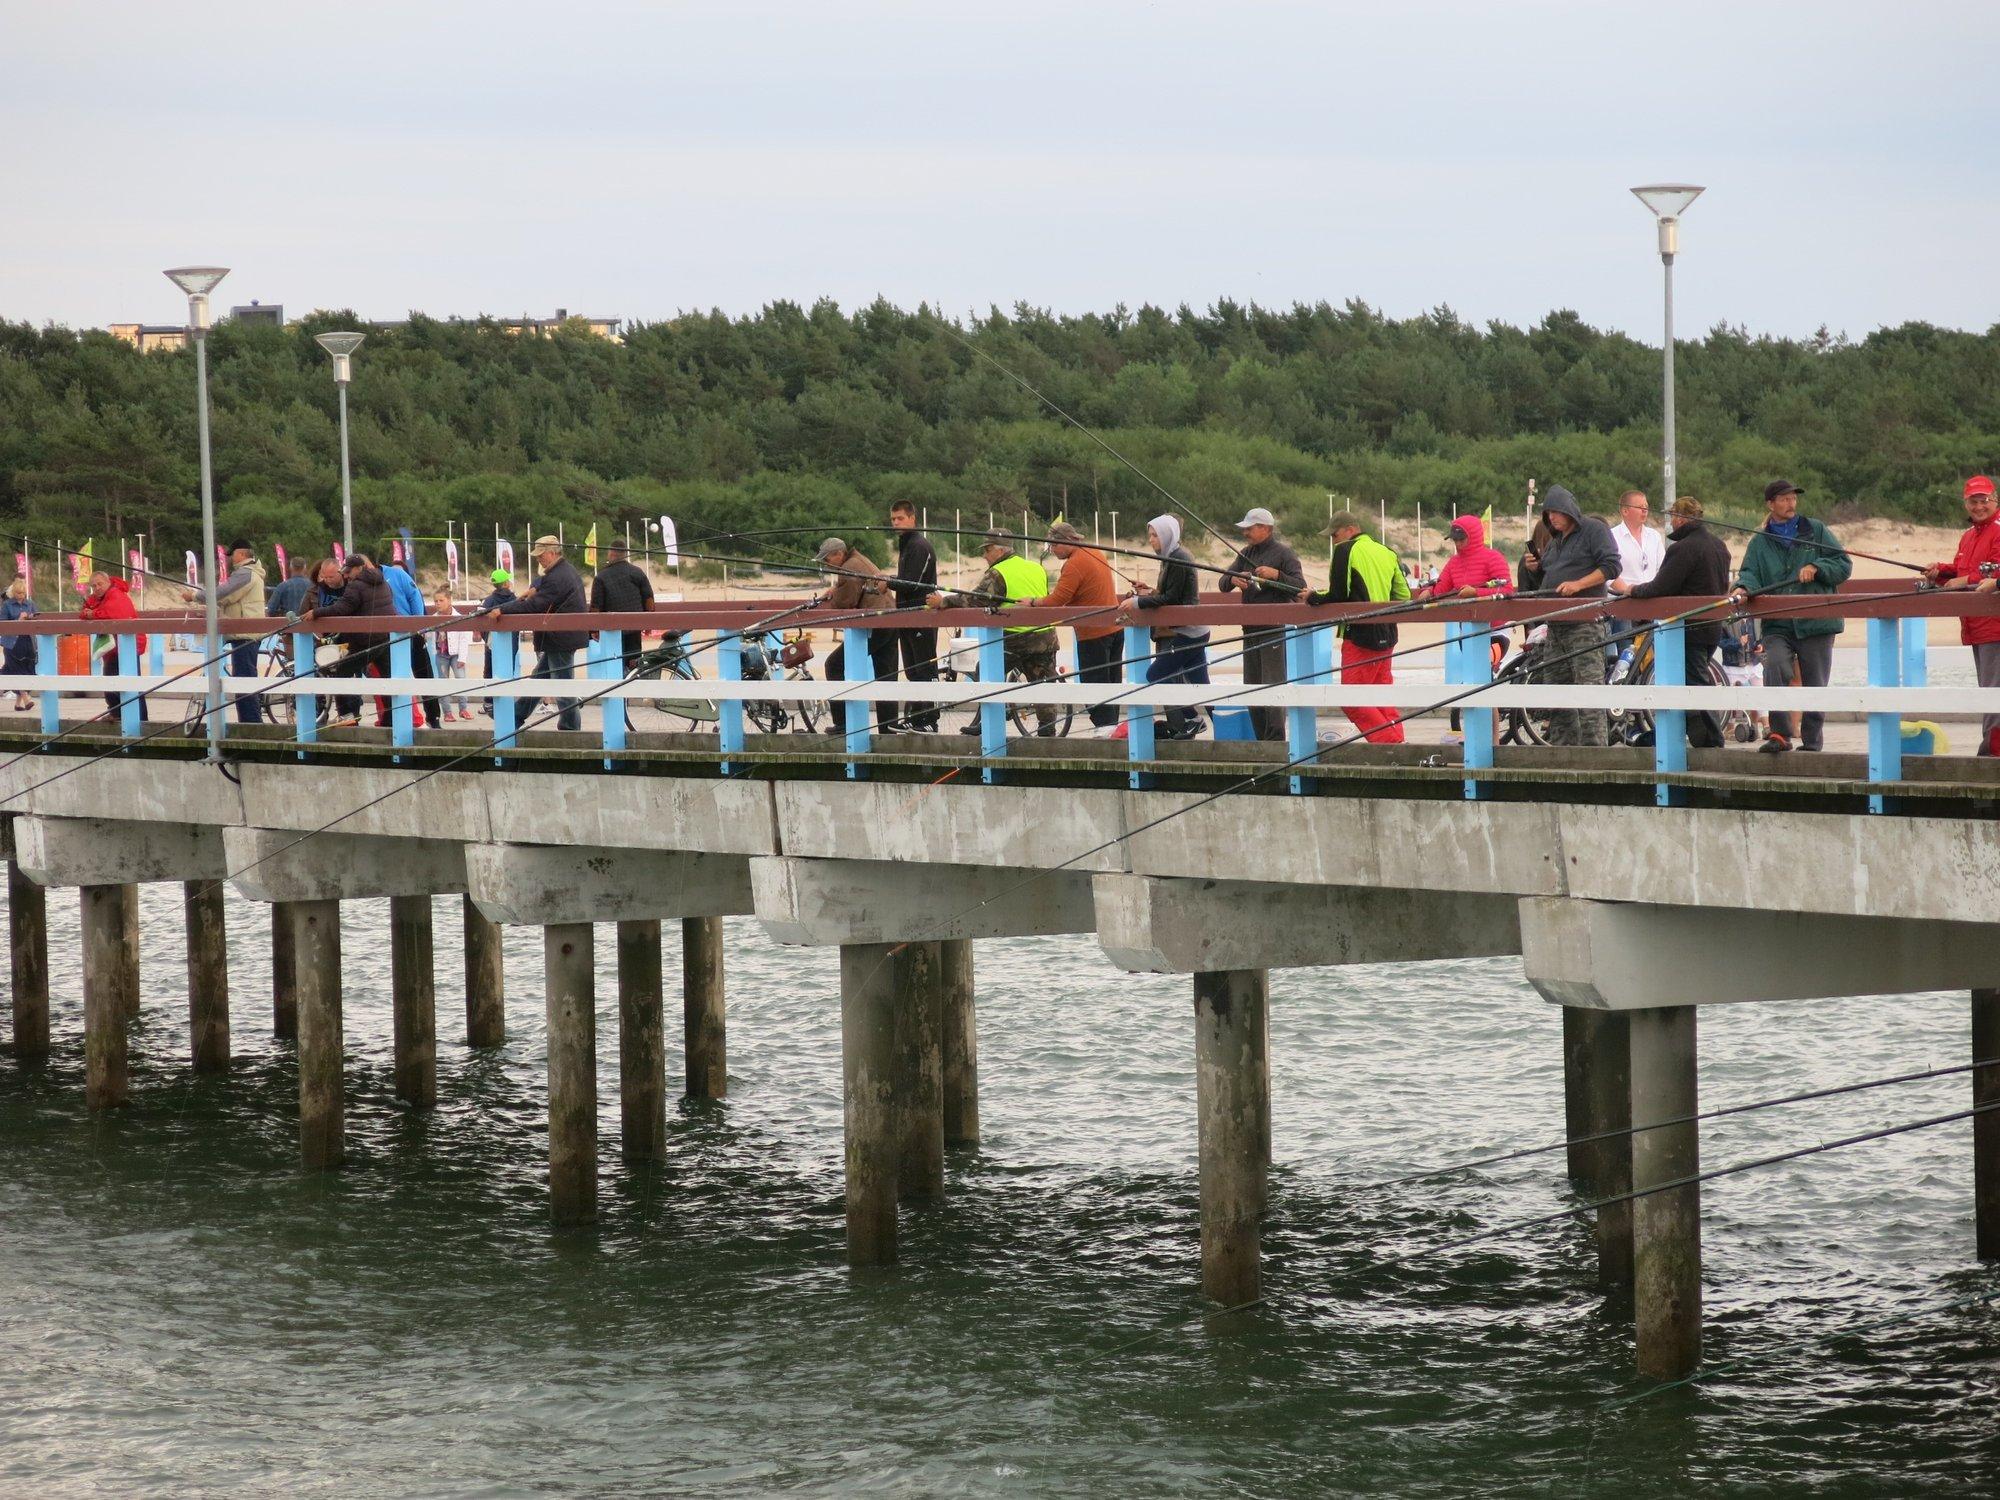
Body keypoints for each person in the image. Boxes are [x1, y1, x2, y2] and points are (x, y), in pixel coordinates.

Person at [1731, 480, 1851, 754]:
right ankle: (1780, 734)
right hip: (1778, 623)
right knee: (1774, 665)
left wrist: (1816, 567)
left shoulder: (1816, 530)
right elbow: (1749, 572)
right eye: (1783, 499)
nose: (1791, 504)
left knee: (1815, 682)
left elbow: (1843, 565)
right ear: (1770, 504)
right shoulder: (1759, 542)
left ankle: (1812, 742)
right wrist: (1742, 588)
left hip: (1817, 622)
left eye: (1793, 499)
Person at [1614, 495, 1732, 748]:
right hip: (1713, 625)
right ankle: (1698, 736)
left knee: (1692, 682)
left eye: (1672, 517)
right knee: (1695, 678)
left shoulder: (1683, 548)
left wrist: (1633, 591)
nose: (1671, 522)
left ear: (1680, 518)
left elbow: (1662, 586)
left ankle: (1710, 740)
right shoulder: (1719, 545)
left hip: (1688, 628)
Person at [1518, 485, 1622, 746]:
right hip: (1556, 626)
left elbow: (1611, 566)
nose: (1551, 518)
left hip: (1585, 624)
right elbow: (1549, 578)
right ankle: (1565, 750)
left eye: (1556, 512)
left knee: (1589, 693)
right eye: (1548, 513)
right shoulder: (1556, 542)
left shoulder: (1594, 530)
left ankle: (1595, 753)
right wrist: (1534, 569)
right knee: (1556, 693)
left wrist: (1579, 584)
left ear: (1569, 510)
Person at [932, 529, 1059, 736]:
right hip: (1044, 636)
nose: (984, 555)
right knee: (1044, 685)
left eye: (987, 550)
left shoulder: (998, 572)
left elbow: (976, 600)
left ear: (1000, 550)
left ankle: (991, 722)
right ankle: (1048, 733)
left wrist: (944, 601)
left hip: (1015, 638)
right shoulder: (1037, 568)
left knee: (986, 671)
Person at [1305, 512, 1410, 744]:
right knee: (1381, 695)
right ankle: (1398, 742)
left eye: (1335, 534)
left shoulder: (1345, 550)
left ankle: (1389, 742)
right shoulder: (1387, 552)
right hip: (1388, 633)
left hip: (1359, 636)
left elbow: (1338, 595)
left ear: (1350, 529)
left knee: (1351, 698)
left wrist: (1315, 597)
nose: (1333, 540)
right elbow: (1403, 595)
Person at [1922, 474, 2000, 756]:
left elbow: (1992, 573)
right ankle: (1991, 748)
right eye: (1973, 501)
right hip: (1976, 626)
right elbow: (1961, 572)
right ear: (1965, 503)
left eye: (1984, 500)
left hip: (1995, 626)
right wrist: (1940, 572)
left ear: (1995, 500)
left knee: (1993, 692)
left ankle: (1991, 752)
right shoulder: (1968, 537)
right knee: (1986, 690)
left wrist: (1962, 579)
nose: (1979, 506)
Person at [1419, 512, 1514, 742]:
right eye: (1455, 540)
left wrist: (1477, 593)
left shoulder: (1493, 558)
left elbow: (1508, 590)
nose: (1458, 544)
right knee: (1478, 681)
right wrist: (1429, 593)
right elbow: (1443, 588)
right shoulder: (1453, 563)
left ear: (1474, 536)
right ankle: (1480, 740)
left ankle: (1492, 741)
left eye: (1461, 539)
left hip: (1496, 632)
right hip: (1468, 633)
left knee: (1483, 679)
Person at [1116, 515, 1209, 741]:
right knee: (1201, 681)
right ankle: (1227, 730)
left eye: (1155, 535)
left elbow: (1172, 598)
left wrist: (1137, 602)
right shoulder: (1171, 557)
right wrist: (1148, 590)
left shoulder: (1178, 559)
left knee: (1156, 673)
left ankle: (1193, 719)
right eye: (1149, 535)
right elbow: (1169, 593)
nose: (1151, 540)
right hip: (1192, 630)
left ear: (1167, 535)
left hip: (1190, 631)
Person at [1219, 506, 1306, 740]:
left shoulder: (1284, 554)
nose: (1245, 532)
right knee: (1252, 684)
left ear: (1265, 528)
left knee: (1273, 683)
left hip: (1273, 629)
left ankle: (1275, 740)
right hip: (1249, 629)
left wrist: (1276, 576)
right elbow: (1222, 583)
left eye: (1250, 528)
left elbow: (1299, 586)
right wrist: (1233, 579)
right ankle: (1261, 739)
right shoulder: (1245, 553)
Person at [486, 536, 588, 731]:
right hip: (559, 637)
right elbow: (545, 587)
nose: (538, 559)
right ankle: (516, 717)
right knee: (540, 679)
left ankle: (570, 727)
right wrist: (535, 588)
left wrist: (504, 609)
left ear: (551, 553)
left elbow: (536, 605)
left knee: (562, 684)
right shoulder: (563, 571)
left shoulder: (558, 576)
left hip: (561, 638)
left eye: (541, 556)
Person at [813, 537, 898, 732]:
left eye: (827, 559)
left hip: (874, 625)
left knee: (834, 665)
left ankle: (843, 723)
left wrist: (833, 597)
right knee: (886, 675)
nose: (827, 564)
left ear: (839, 554)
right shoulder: (858, 561)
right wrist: (837, 590)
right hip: (891, 621)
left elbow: (845, 601)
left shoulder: (849, 568)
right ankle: (889, 728)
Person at [300, 554, 396, 727]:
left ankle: (347, 716)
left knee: (341, 672)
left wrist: (317, 612)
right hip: (384, 637)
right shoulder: (382, 582)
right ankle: (392, 720)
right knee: (386, 679)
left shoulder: (356, 585)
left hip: (365, 639)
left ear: (359, 568)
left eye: (349, 572)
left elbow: (342, 607)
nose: (346, 576)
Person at [1044, 521, 1121, 731]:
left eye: (1054, 544)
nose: (1052, 549)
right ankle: (1111, 726)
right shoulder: (1095, 552)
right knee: (1112, 682)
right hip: (1115, 628)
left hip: (1094, 633)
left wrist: (1033, 602)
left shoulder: (1074, 564)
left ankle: (1105, 727)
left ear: (1068, 540)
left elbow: (1057, 600)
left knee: (1093, 683)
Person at [182, 539, 267, 724]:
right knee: (243, 679)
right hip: (245, 634)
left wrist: (195, 595)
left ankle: (251, 724)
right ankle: (249, 723)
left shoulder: (245, 573)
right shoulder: (252, 573)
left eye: (233, 555)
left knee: (244, 681)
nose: (230, 559)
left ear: (242, 554)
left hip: (244, 635)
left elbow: (222, 594)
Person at [882, 502, 940, 733]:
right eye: (893, 519)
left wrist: (888, 581)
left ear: (912, 518)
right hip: (906, 616)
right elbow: (905, 579)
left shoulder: (919, 545)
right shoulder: (906, 545)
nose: (895, 523)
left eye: (900, 518)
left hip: (921, 616)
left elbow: (912, 583)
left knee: (925, 668)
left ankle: (929, 719)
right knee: (912, 670)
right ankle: (916, 718)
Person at [78, 570, 148, 723]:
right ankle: (120, 714)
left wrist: (91, 614)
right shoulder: (103, 597)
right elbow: (85, 609)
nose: (96, 588)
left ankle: (137, 719)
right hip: (116, 647)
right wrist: (90, 612)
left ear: (108, 582)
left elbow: (111, 613)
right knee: (113, 680)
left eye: (99, 584)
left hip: (128, 645)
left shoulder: (116, 594)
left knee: (127, 683)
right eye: (93, 586)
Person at [384, 555, 441, 728]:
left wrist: (419, 627)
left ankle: (433, 717)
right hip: (390, 635)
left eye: (400, 572)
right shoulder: (383, 586)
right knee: (392, 677)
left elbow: (419, 607)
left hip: (413, 634)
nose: (396, 575)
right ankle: (393, 718)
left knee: (424, 675)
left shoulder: (410, 587)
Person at [589, 541, 655, 668]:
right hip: (634, 626)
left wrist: (594, 629)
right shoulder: (637, 572)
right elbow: (649, 598)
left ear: (611, 553)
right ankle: (633, 681)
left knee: (614, 662)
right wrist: (649, 621)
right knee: (634, 663)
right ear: (625, 554)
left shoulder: (601, 577)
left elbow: (596, 606)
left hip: (611, 628)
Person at [477, 568, 516, 716]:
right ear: (506, 583)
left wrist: (485, 637)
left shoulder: (489, 600)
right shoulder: (514, 599)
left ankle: (488, 701)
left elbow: (481, 622)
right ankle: (507, 700)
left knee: (489, 669)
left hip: (492, 641)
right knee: (508, 668)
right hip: (511, 640)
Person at [432, 592, 474, 721]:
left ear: (449, 600)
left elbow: (464, 638)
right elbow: (429, 637)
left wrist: (462, 657)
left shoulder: (458, 617)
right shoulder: (433, 618)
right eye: (436, 601)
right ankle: (447, 712)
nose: (438, 603)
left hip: (456, 654)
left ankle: (463, 708)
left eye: (441, 600)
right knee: (443, 682)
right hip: (441, 654)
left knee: (461, 679)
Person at [2, 579, 36, 711]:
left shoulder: (30, 604)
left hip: (27, 640)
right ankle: (26, 697)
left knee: (27, 669)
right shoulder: (7, 605)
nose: (20, 596)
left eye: (22, 593)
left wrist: (31, 618)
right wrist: (18, 620)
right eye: (18, 593)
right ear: (13, 592)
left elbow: (38, 618)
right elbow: (3, 623)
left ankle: (18, 704)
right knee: (16, 669)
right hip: (12, 642)